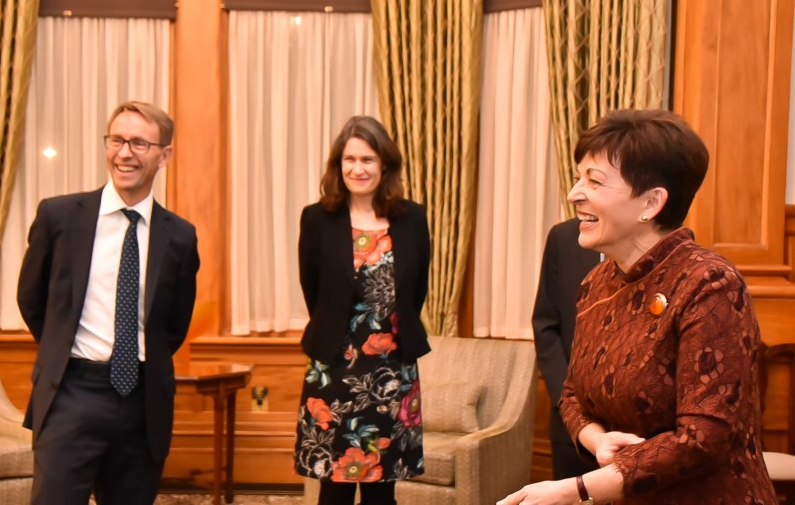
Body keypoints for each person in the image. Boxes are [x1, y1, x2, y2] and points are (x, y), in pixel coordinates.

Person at [499, 109, 776, 504]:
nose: (575, 193)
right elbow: (573, 392)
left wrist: (574, 490)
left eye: (594, 181)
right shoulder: (597, 283)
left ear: (651, 202)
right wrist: (597, 440)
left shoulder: (710, 284)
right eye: (579, 177)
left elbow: (702, 438)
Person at [17, 101, 200, 505]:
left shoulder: (180, 236)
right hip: (70, 394)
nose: (124, 153)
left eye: (139, 143)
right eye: (116, 140)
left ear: (164, 155)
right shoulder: (59, 216)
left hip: (143, 405)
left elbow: (173, 325)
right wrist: (61, 349)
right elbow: (30, 299)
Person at [294, 115, 431, 505]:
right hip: (333, 368)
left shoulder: (412, 218)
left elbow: (415, 289)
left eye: (368, 159)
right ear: (338, 165)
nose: (358, 168)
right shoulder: (317, 218)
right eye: (349, 159)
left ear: (384, 164)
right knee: (333, 487)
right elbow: (313, 290)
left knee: (382, 490)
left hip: (392, 371)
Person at [533, 218, 600, 479]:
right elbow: (545, 323)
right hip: (569, 418)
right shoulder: (562, 237)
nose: (578, 193)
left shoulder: (662, 240)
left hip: (641, 432)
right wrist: (567, 399)